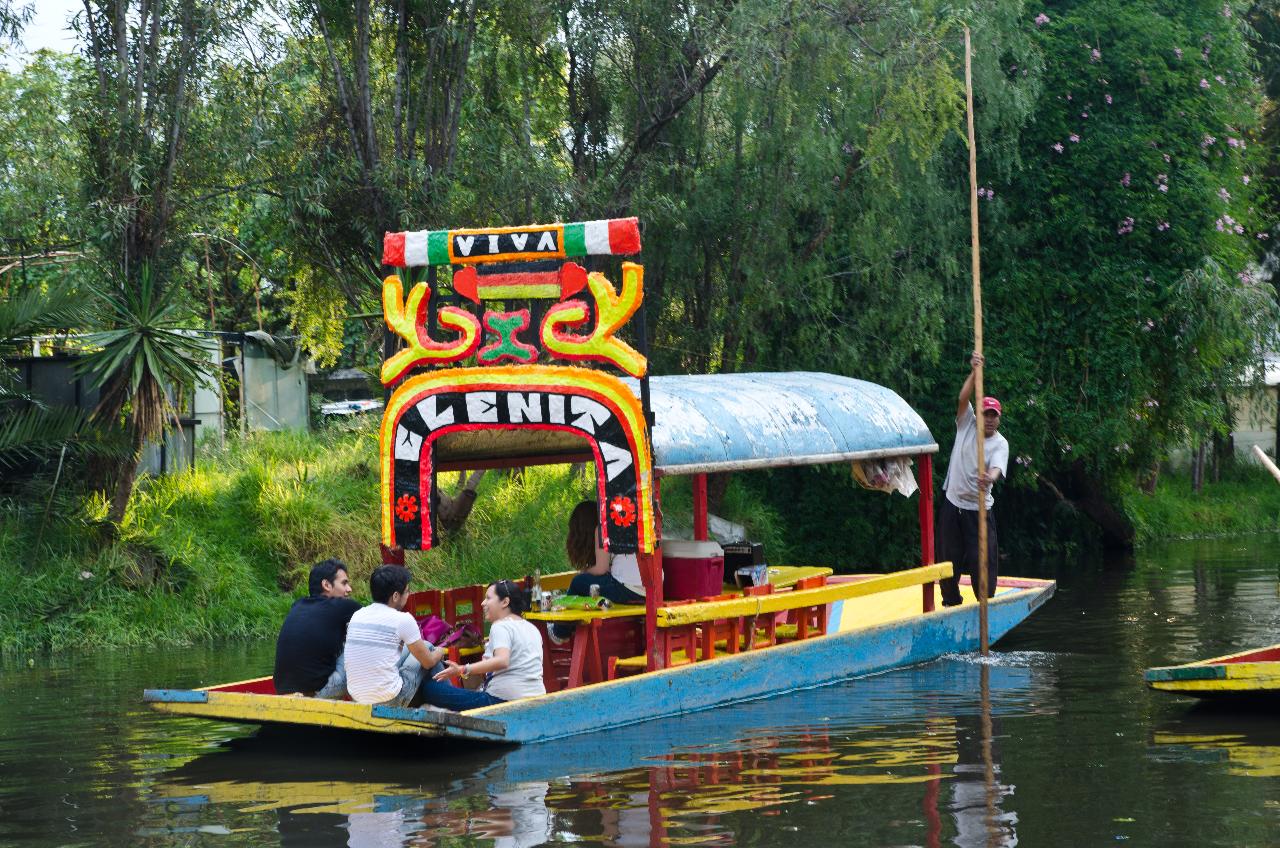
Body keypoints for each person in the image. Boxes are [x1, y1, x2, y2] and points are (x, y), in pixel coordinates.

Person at [937, 352, 1009, 607]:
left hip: (979, 509)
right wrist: (975, 372)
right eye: (986, 414)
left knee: (984, 563)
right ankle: (951, 601)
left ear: (999, 418)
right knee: (948, 560)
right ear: (979, 414)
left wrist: (988, 478)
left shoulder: (1000, 443)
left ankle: (984, 605)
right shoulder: (967, 423)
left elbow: (997, 469)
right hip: (953, 503)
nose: (989, 420)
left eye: (994, 415)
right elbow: (962, 397)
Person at [418, 579, 546, 710]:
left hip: (502, 702)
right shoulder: (532, 628)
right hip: (537, 698)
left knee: (429, 689)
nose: (483, 603)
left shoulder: (500, 626)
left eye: (488, 598)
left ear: (505, 602)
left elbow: (502, 660)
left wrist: (462, 669)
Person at [343, 564, 445, 707]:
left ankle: (443, 694)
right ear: (396, 596)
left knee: (419, 648)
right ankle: (449, 696)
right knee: (430, 649)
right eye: (407, 592)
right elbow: (427, 662)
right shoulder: (403, 619)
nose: (408, 595)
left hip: (357, 697)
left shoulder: (357, 615)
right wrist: (440, 652)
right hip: (390, 700)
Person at [549, 500, 647, 643]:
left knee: (579, 582)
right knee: (588, 584)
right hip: (648, 589)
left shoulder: (603, 528)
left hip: (626, 588)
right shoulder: (625, 523)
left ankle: (560, 632)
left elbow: (601, 569)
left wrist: (583, 572)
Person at [273, 559, 362, 697]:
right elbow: (376, 622)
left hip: (282, 692)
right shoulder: (343, 606)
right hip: (318, 694)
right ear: (326, 584)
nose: (349, 589)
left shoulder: (298, 605)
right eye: (344, 583)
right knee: (363, 639)